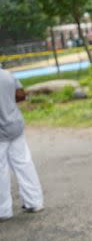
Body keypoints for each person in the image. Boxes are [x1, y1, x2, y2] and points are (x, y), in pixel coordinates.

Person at [0, 66, 44, 221]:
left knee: (1, 171)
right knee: (24, 164)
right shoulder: (7, 75)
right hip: (15, 126)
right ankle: (34, 202)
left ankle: (3, 210)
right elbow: (21, 95)